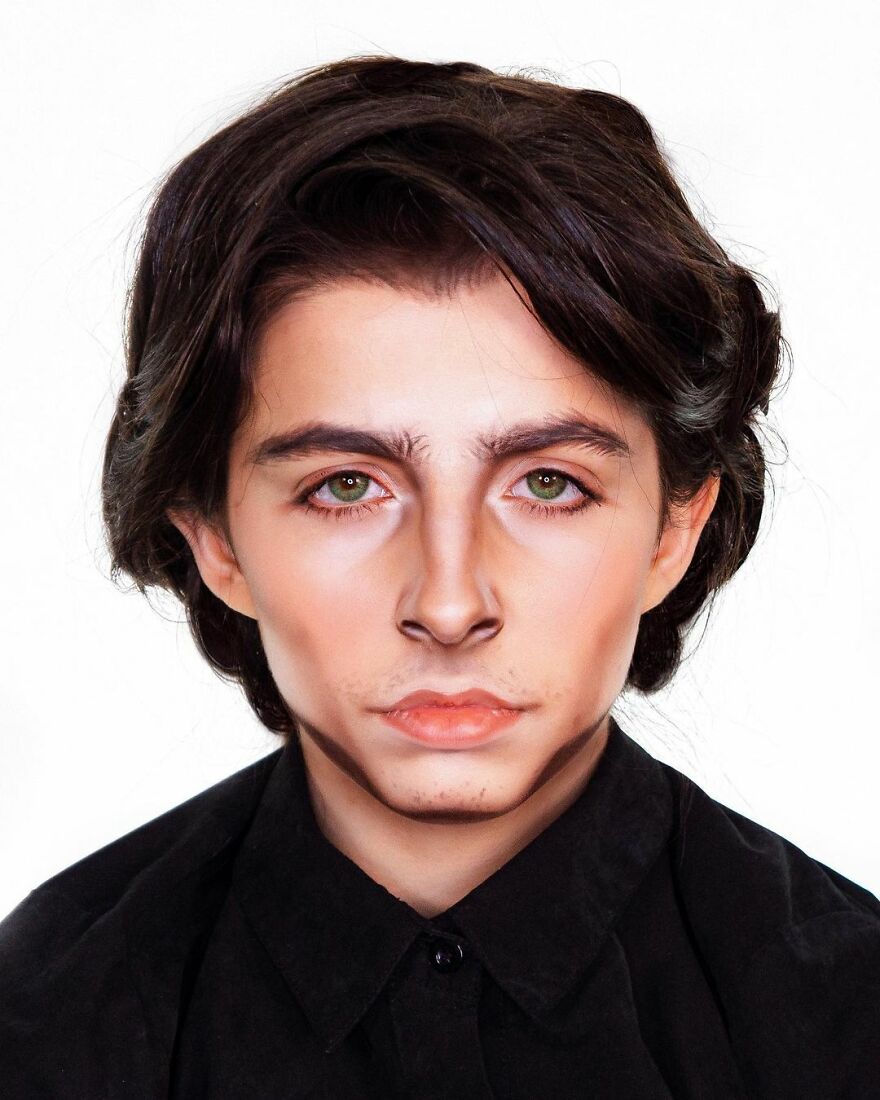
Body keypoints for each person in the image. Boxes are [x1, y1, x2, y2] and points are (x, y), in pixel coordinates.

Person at [1, 54, 878, 1099]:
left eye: (548, 483)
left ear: (673, 529)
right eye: (346, 487)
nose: (450, 604)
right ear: (213, 537)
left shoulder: (850, 1019)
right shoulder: (45, 1021)